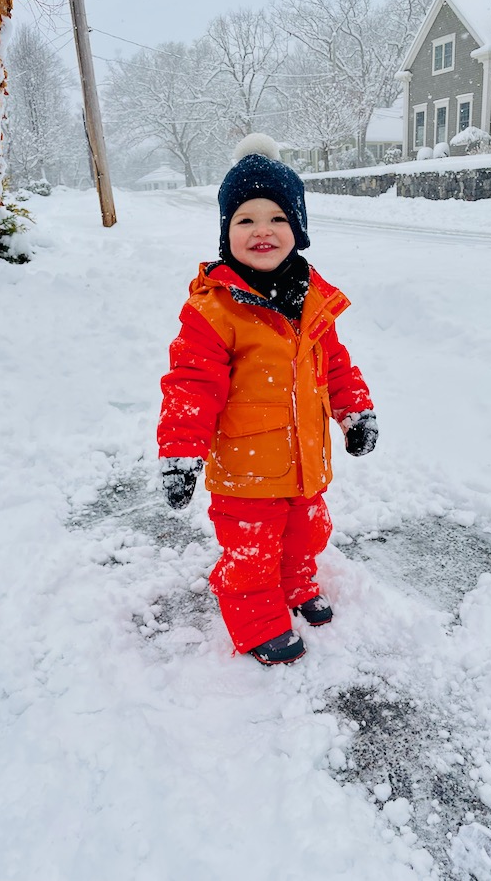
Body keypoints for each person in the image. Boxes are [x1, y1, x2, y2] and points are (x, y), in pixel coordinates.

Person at [157, 134, 378, 666]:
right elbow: (190, 384)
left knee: (307, 533)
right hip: (245, 469)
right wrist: (181, 452)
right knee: (251, 553)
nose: (263, 231)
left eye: (277, 219)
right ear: (225, 233)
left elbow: (336, 365)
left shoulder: (312, 301)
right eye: (245, 220)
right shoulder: (214, 311)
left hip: (304, 461)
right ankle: (256, 621)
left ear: (297, 230)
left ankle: (297, 585)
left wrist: (355, 411)